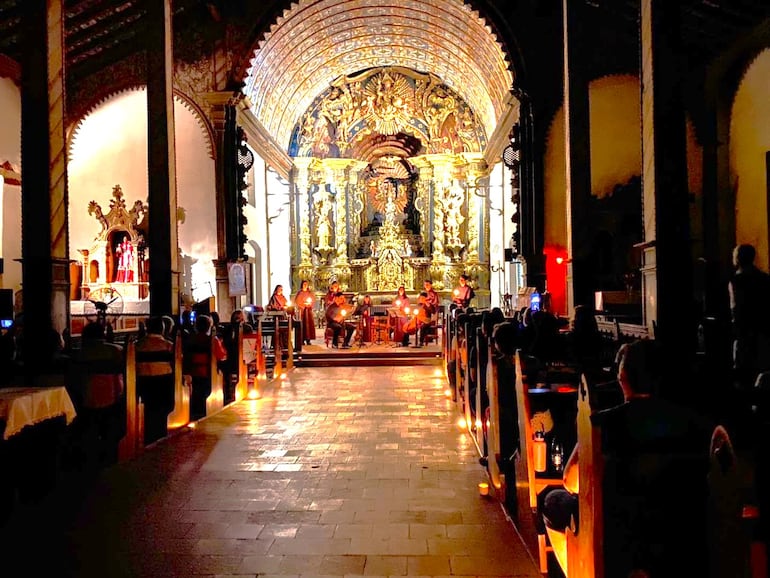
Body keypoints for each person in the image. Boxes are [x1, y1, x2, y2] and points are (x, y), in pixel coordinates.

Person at [541, 339, 712, 577]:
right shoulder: (694, 421)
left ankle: (578, 570)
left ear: (622, 377)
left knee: (554, 501)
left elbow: (571, 480)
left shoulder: (603, 423)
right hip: (682, 529)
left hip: (617, 530)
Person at [727, 243, 770, 389]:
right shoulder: (765, 278)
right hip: (763, 333)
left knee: (742, 376)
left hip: (744, 333)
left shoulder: (736, 281)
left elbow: (735, 310)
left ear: (737, 258)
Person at [135, 316, 175, 445]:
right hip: (164, 384)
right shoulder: (169, 346)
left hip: (142, 385)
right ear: (163, 329)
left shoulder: (137, 346)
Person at [295, 280, 317, 345]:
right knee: (302, 325)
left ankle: (308, 339)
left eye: (306, 284)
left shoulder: (309, 293)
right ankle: (302, 339)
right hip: (302, 311)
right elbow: (297, 301)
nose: (305, 285)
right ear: (302, 285)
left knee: (308, 326)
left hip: (308, 311)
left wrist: (309, 304)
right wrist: (304, 305)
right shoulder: (300, 293)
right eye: (304, 284)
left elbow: (312, 300)